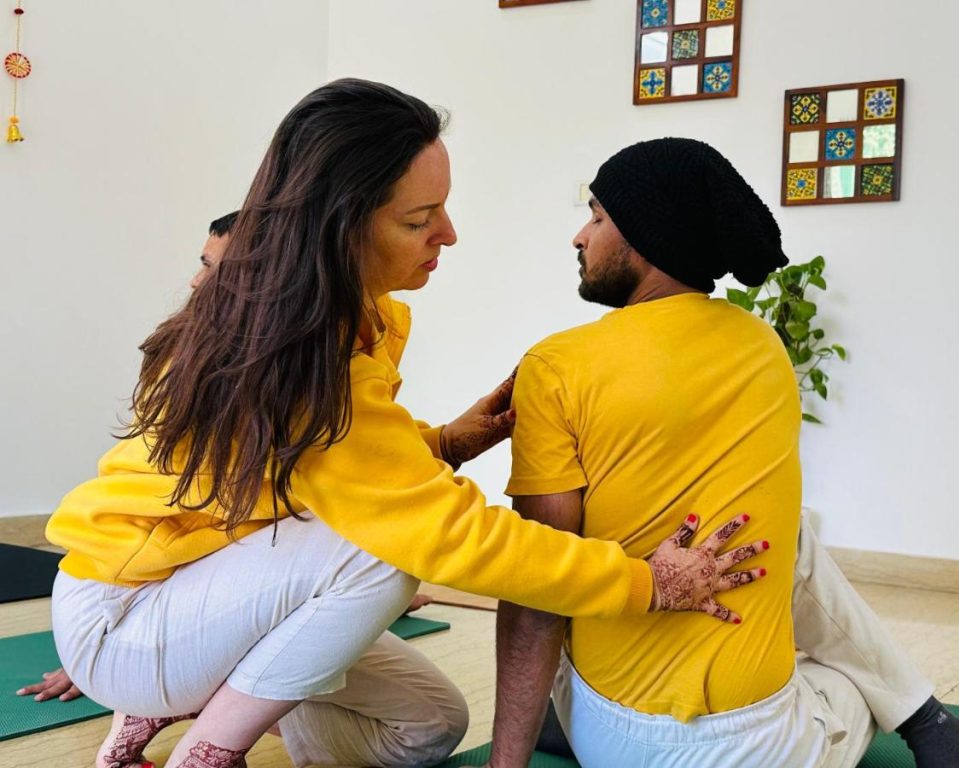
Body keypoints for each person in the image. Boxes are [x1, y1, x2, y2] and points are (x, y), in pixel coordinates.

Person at [44, 81, 767, 768]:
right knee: (386, 549)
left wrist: (448, 443)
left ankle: (191, 698)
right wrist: (646, 583)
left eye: (442, 210)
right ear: (342, 229)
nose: (448, 233)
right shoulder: (308, 357)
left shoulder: (347, 320)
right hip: (127, 615)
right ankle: (207, 747)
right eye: (420, 221)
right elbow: (440, 530)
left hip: (215, 587)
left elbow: (330, 469)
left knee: (428, 727)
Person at [486, 139, 959, 768]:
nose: (580, 236)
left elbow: (537, 589)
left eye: (598, 217)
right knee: (843, 670)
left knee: (559, 573)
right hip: (763, 749)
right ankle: (927, 722)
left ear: (646, 234)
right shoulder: (763, 346)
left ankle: (570, 722)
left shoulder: (554, 365)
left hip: (608, 735)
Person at [15, 210, 431, 707]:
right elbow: (153, 518)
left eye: (215, 268)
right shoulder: (213, 371)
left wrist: (355, 598)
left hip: (184, 584)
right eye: (203, 263)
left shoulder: (333, 348)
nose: (196, 281)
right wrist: (97, 653)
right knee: (380, 544)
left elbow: (348, 465)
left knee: (431, 719)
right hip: (130, 597)